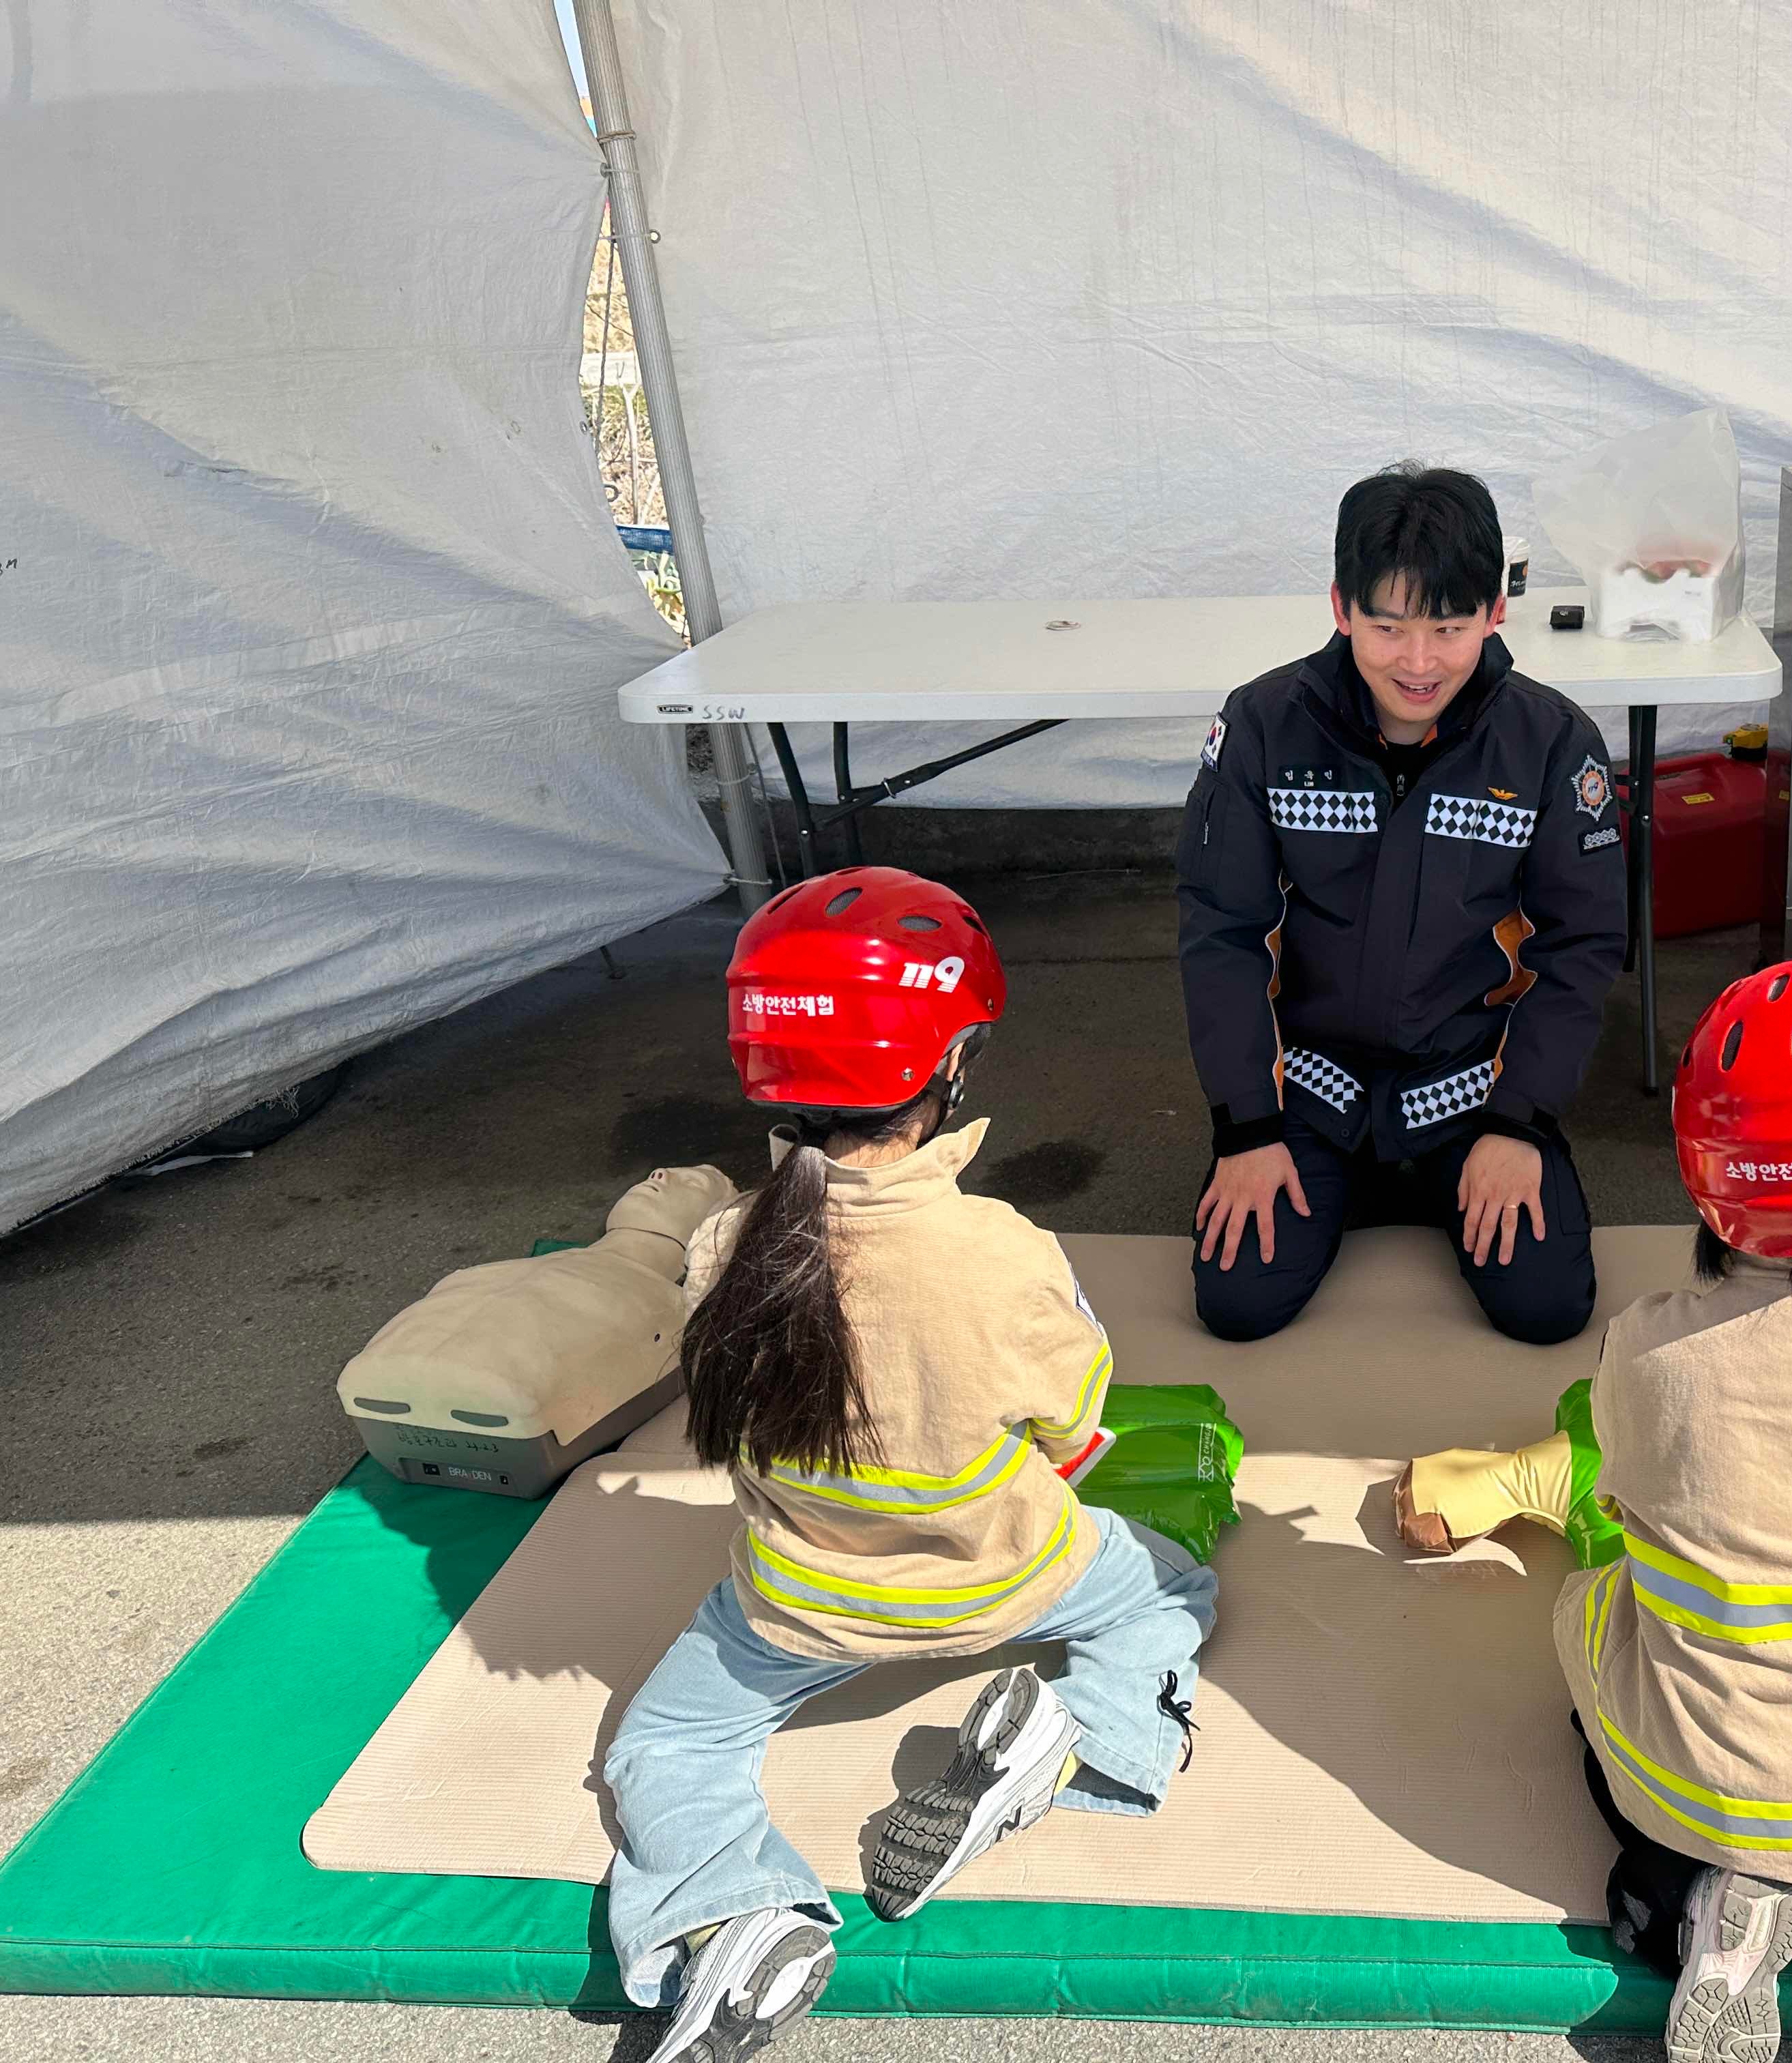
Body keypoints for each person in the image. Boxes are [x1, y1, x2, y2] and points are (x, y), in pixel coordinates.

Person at [605, 868, 1218, 2063]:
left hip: (796, 1608)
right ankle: (1082, 1736)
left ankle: (736, 1909)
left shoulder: (725, 1242)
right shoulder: (1000, 1250)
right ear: (949, 1067)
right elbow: (1073, 1425)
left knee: (667, 1747)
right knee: (1176, 1585)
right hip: (1011, 1576)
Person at [1402, 961, 1792, 2063]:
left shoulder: (1650, 1349)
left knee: (1586, 1604)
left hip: (1711, 1782)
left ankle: (1732, 1892)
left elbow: (1623, 1493)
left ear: (1705, 1174)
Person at [1178, 463, 1627, 1346]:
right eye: (1386, 627)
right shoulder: (1263, 725)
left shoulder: (1551, 741)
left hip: (1471, 1089)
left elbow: (1580, 946)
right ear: (1341, 607)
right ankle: (1357, 1179)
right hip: (1311, 1089)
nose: (1417, 664)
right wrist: (1246, 1127)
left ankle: (1431, 1176)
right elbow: (1219, 932)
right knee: (1237, 1305)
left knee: (1546, 1310)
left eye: (1449, 628)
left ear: (1496, 612)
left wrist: (1520, 1122)